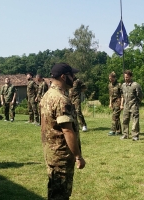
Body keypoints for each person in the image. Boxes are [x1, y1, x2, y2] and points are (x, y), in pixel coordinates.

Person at [39, 63, 86, 199]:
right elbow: (67, 130)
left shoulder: (47, 96)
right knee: (61, 194)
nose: (75, 78)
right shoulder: (61, 100)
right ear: (64, 77)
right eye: (72, 75)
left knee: (54, 191)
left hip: (51, 153)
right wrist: (78, 156)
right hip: (61, 156)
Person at [120, 70, 143, 141]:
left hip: (134, 105)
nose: (126, 78)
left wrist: (137, 103)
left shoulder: (135, 85)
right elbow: (122, 96)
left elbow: (140, 96)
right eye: (125, 77)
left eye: (127, 77)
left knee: (135, 121)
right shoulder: (123, 85)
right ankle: (125, 134)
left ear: (131, 76)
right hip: (126, 105)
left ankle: (135, 135)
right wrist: (122, 104)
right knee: (125, 120)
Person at [108, 71, 122, 136]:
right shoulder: (109, 85)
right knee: (117, 117)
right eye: (109, 79)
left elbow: (122, 95)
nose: (110, 80)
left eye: (111, 78)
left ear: (114, 78)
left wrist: (121, 104)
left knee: (114, 115)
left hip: (118, 101)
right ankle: (118, 131)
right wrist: (110, 103)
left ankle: (113, 130)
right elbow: (110, 95)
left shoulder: (119, 85)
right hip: (113, 102)